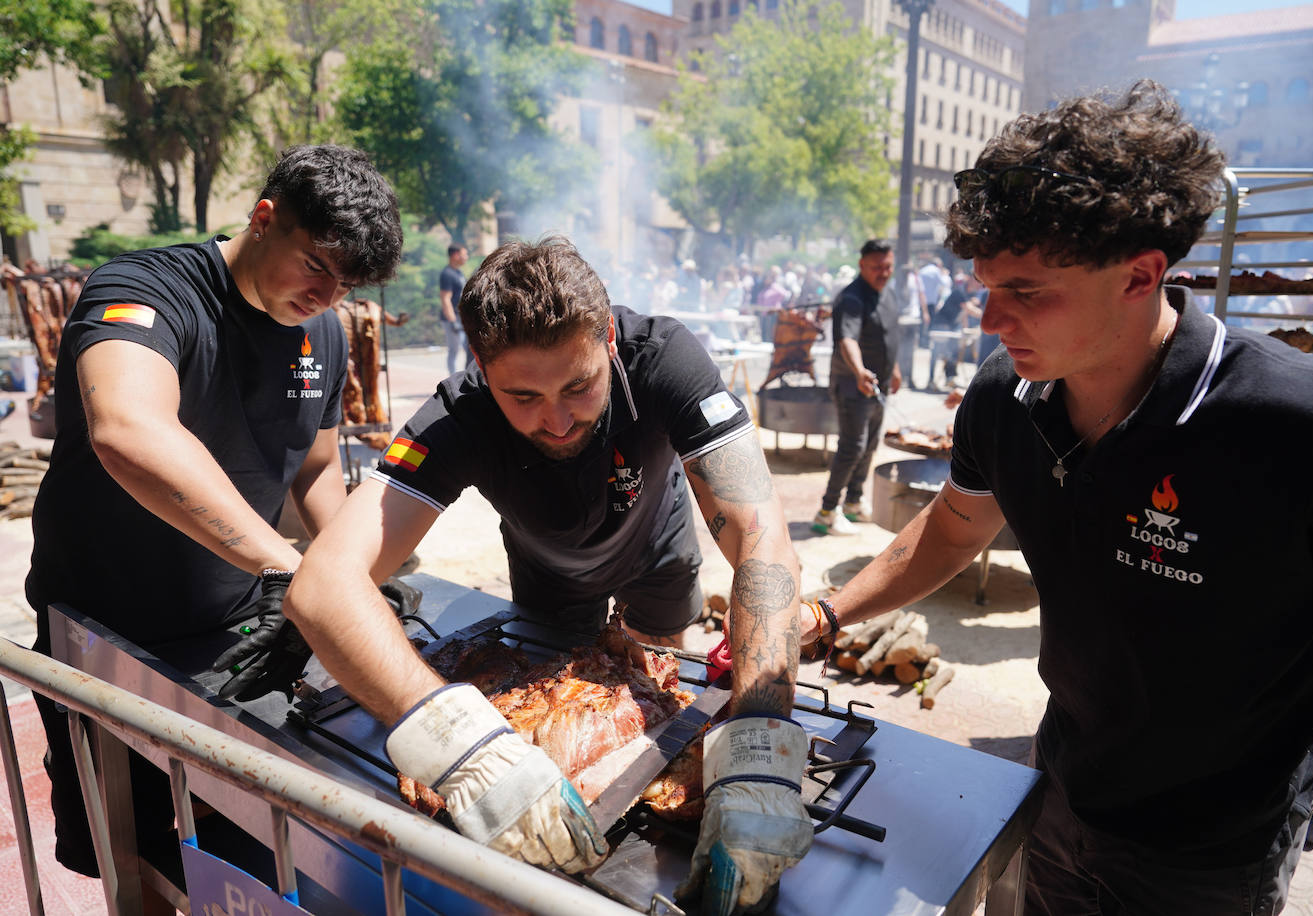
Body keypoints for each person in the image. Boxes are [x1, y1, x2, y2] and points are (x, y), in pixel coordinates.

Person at [796, 80, 1313, 915]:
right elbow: (953, 529)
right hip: (1058, 791)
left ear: (1141, 275)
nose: (992, 319)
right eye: (985, 285)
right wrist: (821, 616)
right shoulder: (1005, 398)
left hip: (1214, 853)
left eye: (1026, 291)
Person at [285, 237, 812, 910]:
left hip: (657, 544)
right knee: (556, 687)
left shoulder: (665, 360)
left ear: (609, 340)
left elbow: (762, 535)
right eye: (524, 396)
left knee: (654, 692)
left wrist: (762, 753)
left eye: (579, 386)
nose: (557, 420)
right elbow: (322, 582)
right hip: (547, 566)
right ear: (481, 365)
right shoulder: (459, 413)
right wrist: (460, 746)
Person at [24, 144, 405, 876]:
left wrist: (347, 570)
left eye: (348, 283)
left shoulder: (319, 333)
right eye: (318, 266)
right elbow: (127, 431)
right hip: (103, 637)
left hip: (238, 639)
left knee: (244, 849)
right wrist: (280, 563)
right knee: (127, 856)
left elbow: (319, 466)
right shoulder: (144, 289)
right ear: (265, 219)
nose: (329, 297)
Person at [811, 239, 900, 536]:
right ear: (862, 265)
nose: (883, 273)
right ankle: (826, 511)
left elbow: (887, 334)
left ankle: (853, 502)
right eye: (876, 267)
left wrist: (894, 369)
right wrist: (860, 371)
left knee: (870, 445)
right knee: (852, 447)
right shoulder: (851, 298)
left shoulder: (887, 294)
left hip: (879, 385)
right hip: (853, 384)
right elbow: (847, 339)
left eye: (887, 266)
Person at [925, 273, 984, 391]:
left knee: (952, 351)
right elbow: (969, 309)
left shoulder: (970, 294)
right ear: (970, 279)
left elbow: (964, 314)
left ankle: (950, 379)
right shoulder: (959, 292)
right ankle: (931, 380)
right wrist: (987, 317)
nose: (980, 284)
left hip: (952, 327)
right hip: (940, 324)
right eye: (978, 281)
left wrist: (965, 329)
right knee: (937, 353)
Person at [439, 242, 470, 375]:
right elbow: (445, 299)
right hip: (452, 318)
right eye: (465, 254)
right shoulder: (447, 274)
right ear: (455, 255)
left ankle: (468, 378)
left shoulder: (458, 272)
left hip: (461, 317)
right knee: (454, 350)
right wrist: (453, 322)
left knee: (468, 348)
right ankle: (453, 380)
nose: (466, 257)